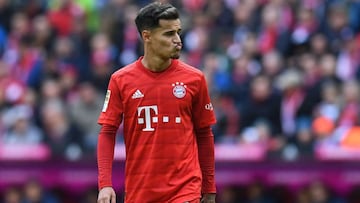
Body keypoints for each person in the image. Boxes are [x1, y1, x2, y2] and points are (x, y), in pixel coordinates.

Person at [96, 2, 217, 203]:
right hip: (140, 192)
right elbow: (107, 133)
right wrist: (105, 184)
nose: (178, 40)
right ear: (147, 36)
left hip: (185, 191)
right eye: (169, 34)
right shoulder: (121, 80)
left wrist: (209, 187)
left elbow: (204, 134)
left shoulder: (194, 79)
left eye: (178, 32)